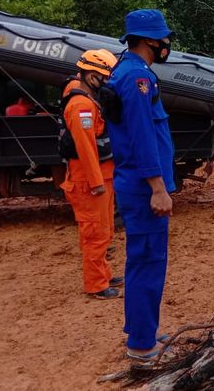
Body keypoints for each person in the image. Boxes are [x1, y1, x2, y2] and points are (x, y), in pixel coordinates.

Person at [106, 9, 176, 361]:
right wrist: (158, 187)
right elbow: (143, 136)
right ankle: (142, 347)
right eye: (163, 39)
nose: (166, 45)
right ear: (150, 40)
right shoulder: (137, 79)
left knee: (142, 262)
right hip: (142, 185)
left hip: (135, 182)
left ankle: (142, 332)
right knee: (148, 263)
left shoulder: (128, 71)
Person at [59, 49, 121, 300]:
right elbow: (86, 148)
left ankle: (103, 274)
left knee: (104, 231)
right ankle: (96, 284)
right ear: (90, 75)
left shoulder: (86, 97)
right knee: (95, 232)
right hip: (88, 181)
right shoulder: (81, 105)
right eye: (103, 77)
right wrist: (96, 183)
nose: (106, 82)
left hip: (100, 176)